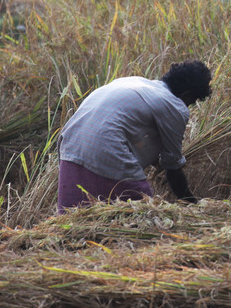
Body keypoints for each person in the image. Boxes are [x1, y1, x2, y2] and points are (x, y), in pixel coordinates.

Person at [58, 60, 213, 212]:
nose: (188, 106)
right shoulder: (174, 105)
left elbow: (130, 129)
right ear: (187, 96)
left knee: (74, 218)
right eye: (191, 102)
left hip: (70, 145)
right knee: (143, 215)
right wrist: (192, 205)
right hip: (105, 148)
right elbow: (173, 167)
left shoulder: (134, 82)